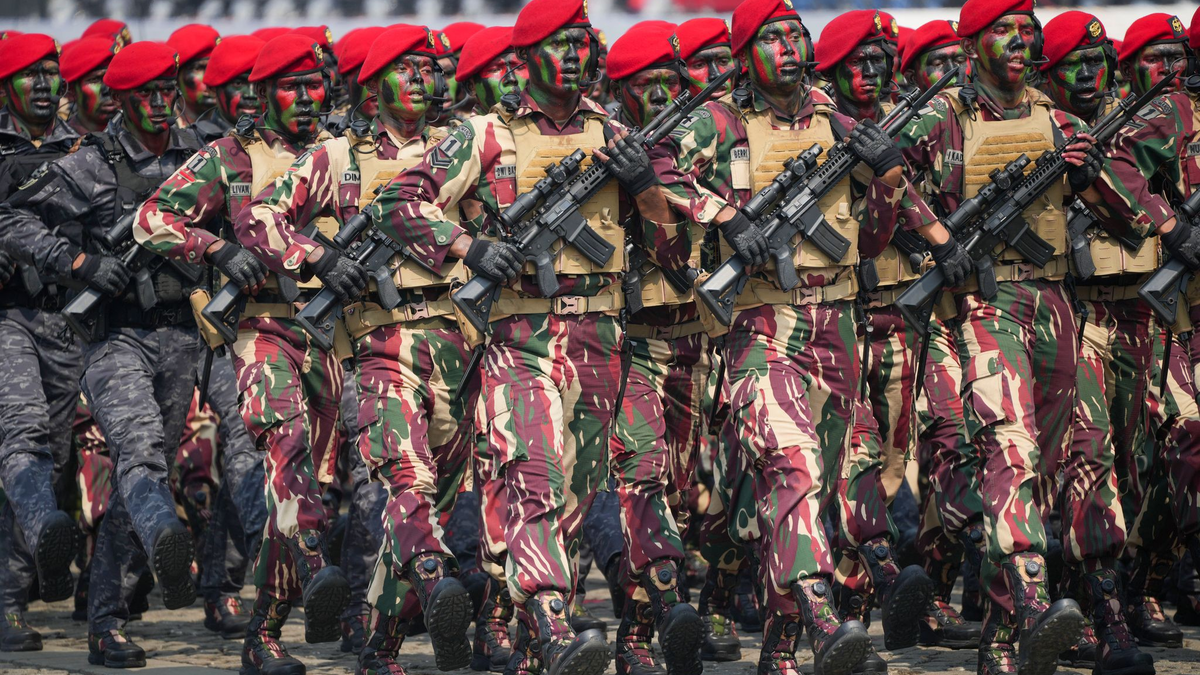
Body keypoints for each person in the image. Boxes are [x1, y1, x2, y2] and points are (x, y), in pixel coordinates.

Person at [367, 0, 681, 671]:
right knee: (532, 474)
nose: (575, 55)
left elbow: (671, 253)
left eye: (582, 43)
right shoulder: (485, 134)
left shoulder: (617, 133)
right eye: (560, 43)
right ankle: (550, 617)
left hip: (602, 335)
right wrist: (468, 247)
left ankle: (520, 631)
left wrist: (647, 187)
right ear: (527, 55)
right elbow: (397, 203)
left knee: (579, 494)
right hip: (520, 334)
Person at [656, 0, 957, 671]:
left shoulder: (836, 121)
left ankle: (780, 649)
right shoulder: (720, 122)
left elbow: (876, 236)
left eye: (797, 34)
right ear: (744, 54)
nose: (791, 46)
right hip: (761, 324)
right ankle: (822, 620)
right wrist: (725, 215)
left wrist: (886, 177)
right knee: (789, 470)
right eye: (773, 37)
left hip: (838, 321)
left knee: (820, 490)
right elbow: (660, 167)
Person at [236, 24, 485, 675]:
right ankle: (276, 623)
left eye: (433, 68)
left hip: (454, 346)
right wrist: (316, 254)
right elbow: (261, 218)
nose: (426, 80)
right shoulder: (337, 156)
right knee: (384, 487)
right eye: (410, 68)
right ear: (374, 85)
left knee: (426, 502)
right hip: (369, 349)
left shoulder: (462, 148)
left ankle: (379, 642)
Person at [135, 33, 354, 675]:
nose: (307, 97)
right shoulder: (228, 158)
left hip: (329, 335)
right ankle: (317, 565)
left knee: (309, 485)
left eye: (314, 84)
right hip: (260, 333)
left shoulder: (338, 155)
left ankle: (263, 634)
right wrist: (215, 249)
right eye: (290, 86)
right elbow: (151, 218)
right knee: (285, 458)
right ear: (260, 93)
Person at [0, 40, 204, 668]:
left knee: (133, 470)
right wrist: (82, 261)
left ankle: (110, 605)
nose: (162, 102)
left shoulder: (196, 158)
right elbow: (11, 220)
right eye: (147, 92)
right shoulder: (90, 161)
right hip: (87, 331)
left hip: (174, 335)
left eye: (167, 90)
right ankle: (36, 577)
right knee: (37, 441)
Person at [813, 13, 942, 668]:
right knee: (849, 456)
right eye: (859, 61)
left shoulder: (911, 123)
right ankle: (873, 579)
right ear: (833, 68)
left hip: (899, 311)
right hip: (834, 317)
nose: (873, 71)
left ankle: (858, 599)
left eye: (882, 59)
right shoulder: (817, 130)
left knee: (894, 463)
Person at [1096, 9, 1200, 656]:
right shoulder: (1176, 112)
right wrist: (1169, 225)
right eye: (1160, 56)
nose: (1174, 68)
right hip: (1172, 306)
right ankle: (1136, 578)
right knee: (1179, 439)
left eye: (1179, 54)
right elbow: (1116, 158)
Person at [0, 32, 84, 654]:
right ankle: (7, 604)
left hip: (66, 321)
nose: (47, 86)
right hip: (7, 317)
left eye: (54, 74)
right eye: (33, 76)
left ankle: (25, 580)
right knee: (21, 436)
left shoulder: (81, 148)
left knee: (51, 459)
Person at [191, 35, 266, 143]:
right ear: (212, 90)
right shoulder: (192, 143)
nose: (251, 94)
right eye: (238, 84)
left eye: (259, 84)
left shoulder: (282, 141)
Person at [60, 37, 119, 135]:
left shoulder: (141, 139)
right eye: (95, 80)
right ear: (72, 91)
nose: (107, 89)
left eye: (113, 77)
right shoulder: (59, 145)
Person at [167, 23, 220, 126]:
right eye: (198, 68)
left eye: (214, 67)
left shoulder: (237, 128)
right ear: (176, 79)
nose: (210, 77)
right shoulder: (163, 132)